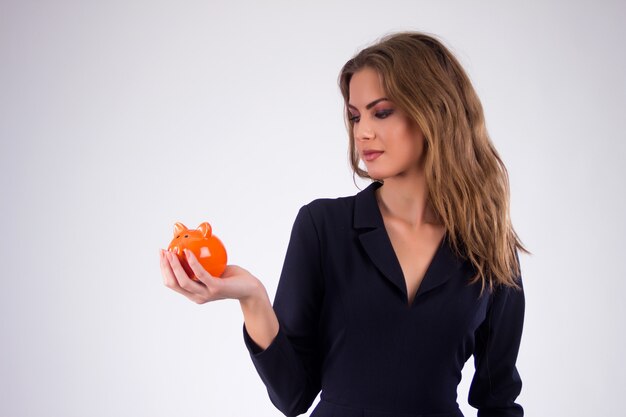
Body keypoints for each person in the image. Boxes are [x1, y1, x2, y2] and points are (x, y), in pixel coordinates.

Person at [159, 31, 528, 417]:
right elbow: (293, 395)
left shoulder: (489, 247)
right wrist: (252, 298)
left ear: (435, 112)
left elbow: (498, 400)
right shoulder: (323, 227)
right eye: (355, 116)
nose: (362, 132)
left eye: (381, 112)